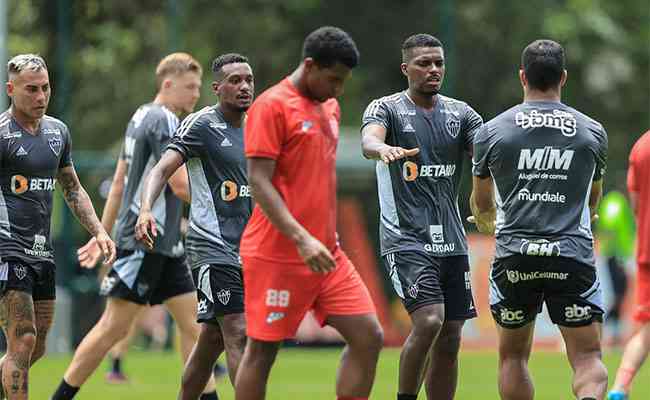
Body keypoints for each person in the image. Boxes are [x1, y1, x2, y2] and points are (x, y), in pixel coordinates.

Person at [51, 52, 218, 399]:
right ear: (167, 84)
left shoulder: (139, 116)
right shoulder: (165, 121)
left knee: (194, 327)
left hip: (165, 245)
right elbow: (180, 184)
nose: (195, 95)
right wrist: (229, 205)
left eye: (198, 87)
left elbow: (118, 183)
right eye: (190, 87)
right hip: (146, 241)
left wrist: (102, 233)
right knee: (112, 328)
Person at [233, 26, 384, 400]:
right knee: (262, 351)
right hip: (278, 254)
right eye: (333, 79)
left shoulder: (330, 105)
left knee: (368, 336)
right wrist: (300, 238)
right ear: (310, 65)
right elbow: (259, 181)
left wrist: (317, 239)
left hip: (327, 253)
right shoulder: (272, 106)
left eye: (344, 81)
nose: (339, 89)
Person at [471, 39, 608, 400]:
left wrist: (488, 224)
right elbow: (593, 200)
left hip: (515, 257)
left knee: (513, 356)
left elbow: (481, 203)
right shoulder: (591, 131)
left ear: (522, 77)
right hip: (571, 256)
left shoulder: (492, 131)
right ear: (563, 77)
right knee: (588, 356)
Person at [361, 33, 482, 400]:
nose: (433, 70)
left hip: (453, 240)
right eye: (424, 63)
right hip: (407, 239)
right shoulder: (386, 108)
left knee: (451, 335)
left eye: (438, 63)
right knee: (430, 320)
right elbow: (369, 141)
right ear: (405, 68)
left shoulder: (461, 113)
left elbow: (489, 151)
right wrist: (382, 148)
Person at [136, 53, 253, 400]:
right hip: (212, 246)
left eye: (248, 79)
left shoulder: (260, 124)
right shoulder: (201, 125)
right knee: (237, 331)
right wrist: (146, 209)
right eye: (235, 80)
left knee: (211, 342)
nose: (244, 86)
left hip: (250, 247)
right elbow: (161, 169)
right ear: (217, 88)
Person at [0, 54, 116, 400]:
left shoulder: (57, 132)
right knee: (23, 337)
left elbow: (73, 187)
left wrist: (99, 230)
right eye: (31, 89)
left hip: (42, 252)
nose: (41, 96)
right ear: (11, 89)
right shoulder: (2, 136)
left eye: (45, 88)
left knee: (36, 347)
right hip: (7, 250)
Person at [607, 129, 650, 400]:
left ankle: (620, 386)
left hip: (646, 250)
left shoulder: (642, 146)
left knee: (646, 328)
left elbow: (636, 204)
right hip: (622, 255)